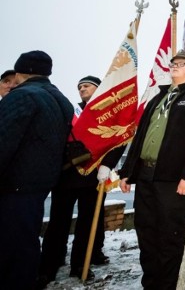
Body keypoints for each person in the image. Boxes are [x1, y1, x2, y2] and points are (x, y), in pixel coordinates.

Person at [119, 50, 185, 289]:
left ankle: (167, 285)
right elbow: (141, 137)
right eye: (173, 63)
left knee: (169, 236)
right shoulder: (157, 98)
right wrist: (128, 171)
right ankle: (150, 283)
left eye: (181, 64)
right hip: (146, 177)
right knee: (147, 234)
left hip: (174, 181)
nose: (174, 66)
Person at [38, 75, 125, 286]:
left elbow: (119, 140)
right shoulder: (71, 111)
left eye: (86, 86)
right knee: (58, 223)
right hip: (66, 176)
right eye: (79, 87)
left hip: (94, 177)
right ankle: (49, 264)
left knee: (87, 224)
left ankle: (80, 264)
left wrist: (108, 165)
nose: (82, 89)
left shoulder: (108, 113)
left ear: (98, 89)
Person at [0, 51, 74, 290]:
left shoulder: (20, 96)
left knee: (12, 245)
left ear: (21, 72)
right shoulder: (61, 99)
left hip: (14, 183)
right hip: (42, 182)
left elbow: (4, 141)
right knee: (26, 240)